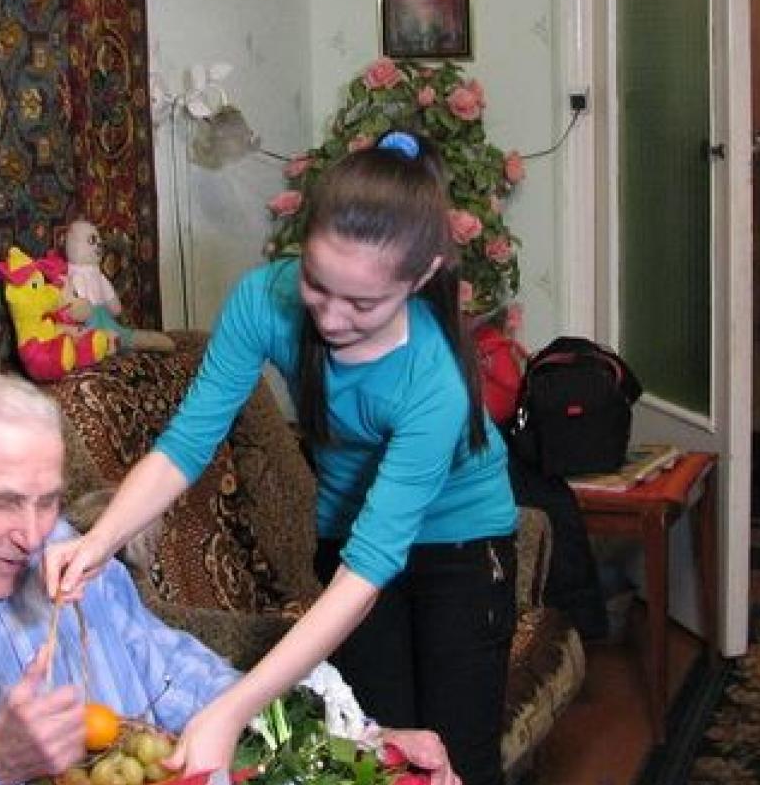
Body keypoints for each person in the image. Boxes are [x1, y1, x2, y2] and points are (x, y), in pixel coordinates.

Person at [47, 131, 518, 784]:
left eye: (362, 304)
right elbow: (187, 442)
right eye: (317, 285)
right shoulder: (262, 299)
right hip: (346, 529)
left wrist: (233, 709)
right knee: (370, 748)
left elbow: (370, 567)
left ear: (421, 278)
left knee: (455, 760)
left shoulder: (433, 380)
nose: (330, 318)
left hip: (462, 541)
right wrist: (99, 540)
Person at [0, 371, 455, 784]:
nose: (34, 533)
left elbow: (168, 669)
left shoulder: (63, 546)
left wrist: (351, 739)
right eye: (6, 502)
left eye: (48, 501)